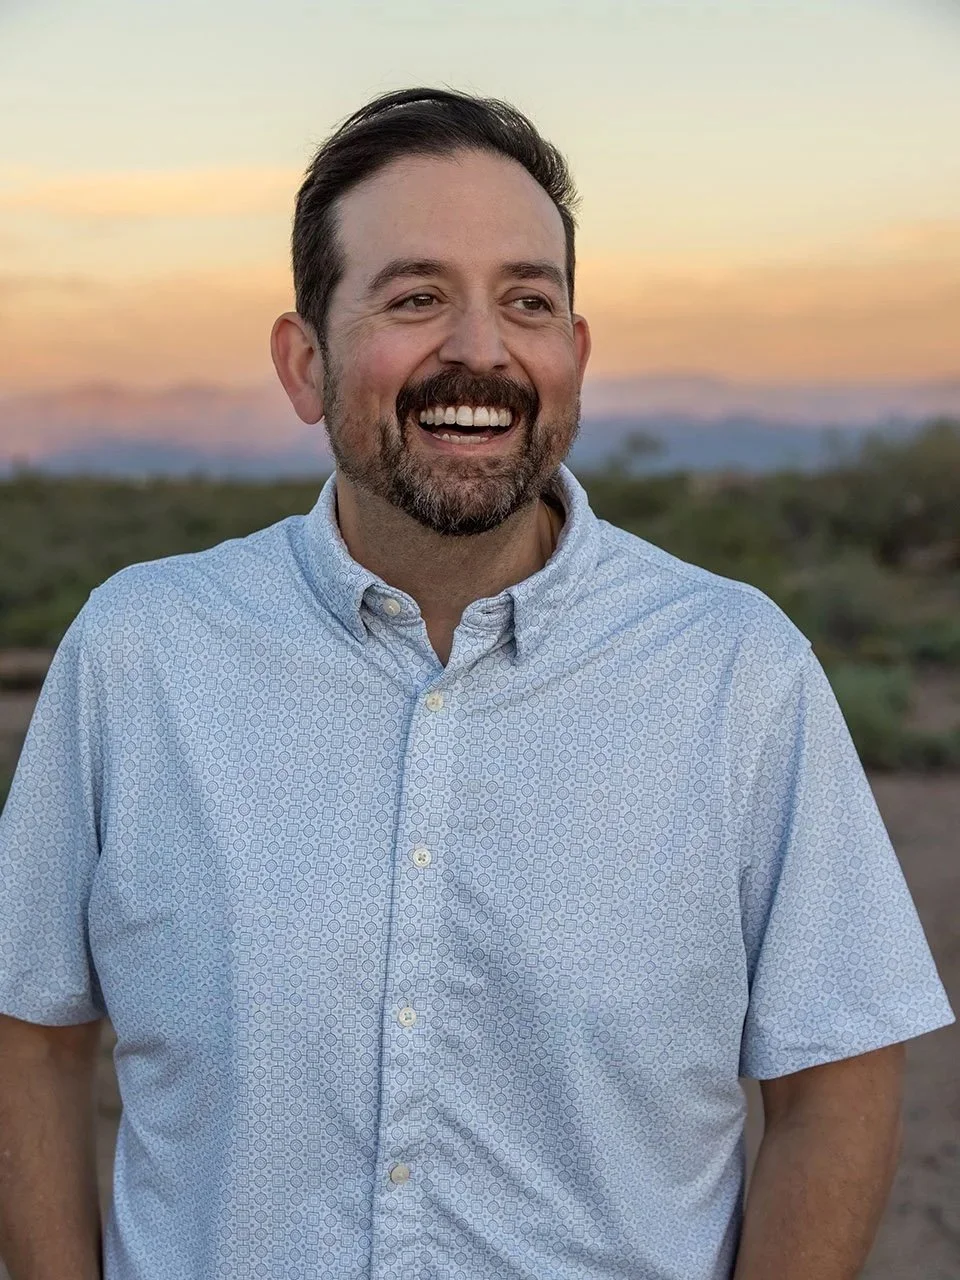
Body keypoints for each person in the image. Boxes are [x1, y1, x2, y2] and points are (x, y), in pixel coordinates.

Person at [0, 86, 953, 1280]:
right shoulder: (139, 653)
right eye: (415, 297)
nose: (481, 349)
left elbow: (840, 1078)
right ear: (305, 362)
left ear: (575, 357)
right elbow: (28, 1035)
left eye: (527, 301)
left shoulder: (736, 669)